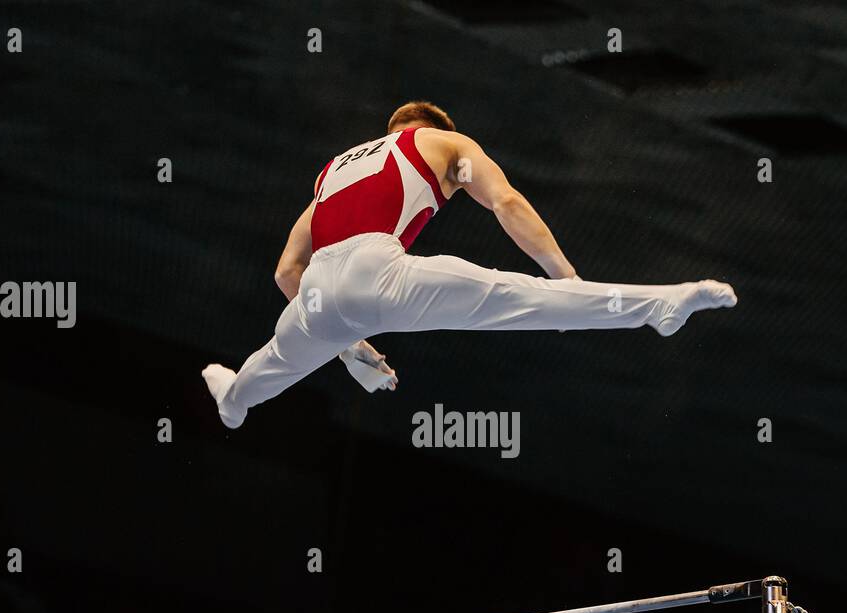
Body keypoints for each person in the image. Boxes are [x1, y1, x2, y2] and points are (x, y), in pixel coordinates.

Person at [202, 101, 737, 428]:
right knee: (517, 295)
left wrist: (351, 349)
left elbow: (286, 272)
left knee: (271, 365)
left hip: (317, 296)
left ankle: (233, 401)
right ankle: (661, 304)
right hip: (377, 271)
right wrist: (569, 285)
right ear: (427, 127)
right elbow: (507, 203)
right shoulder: (443, 141)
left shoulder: (332, 173)